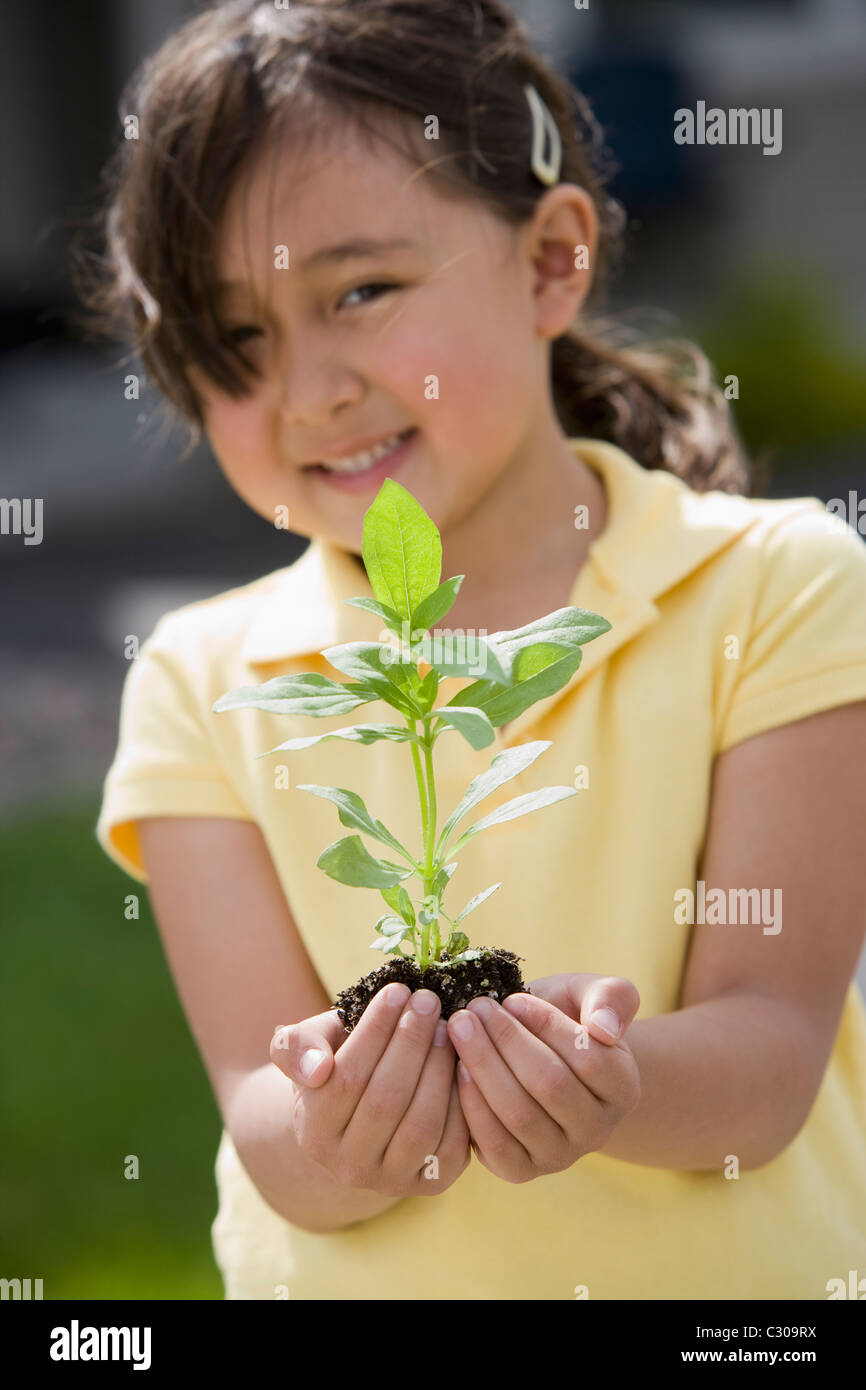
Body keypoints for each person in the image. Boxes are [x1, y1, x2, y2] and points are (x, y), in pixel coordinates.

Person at [81, 0, 866, 1299]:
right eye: (235, 341)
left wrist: (606, 1082)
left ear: (550, 260)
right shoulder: (196, 681)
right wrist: (348, 1120)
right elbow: (270, 1130)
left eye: (364, 291)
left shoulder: (773, 588)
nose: (311, 389)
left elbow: (768, 1055)